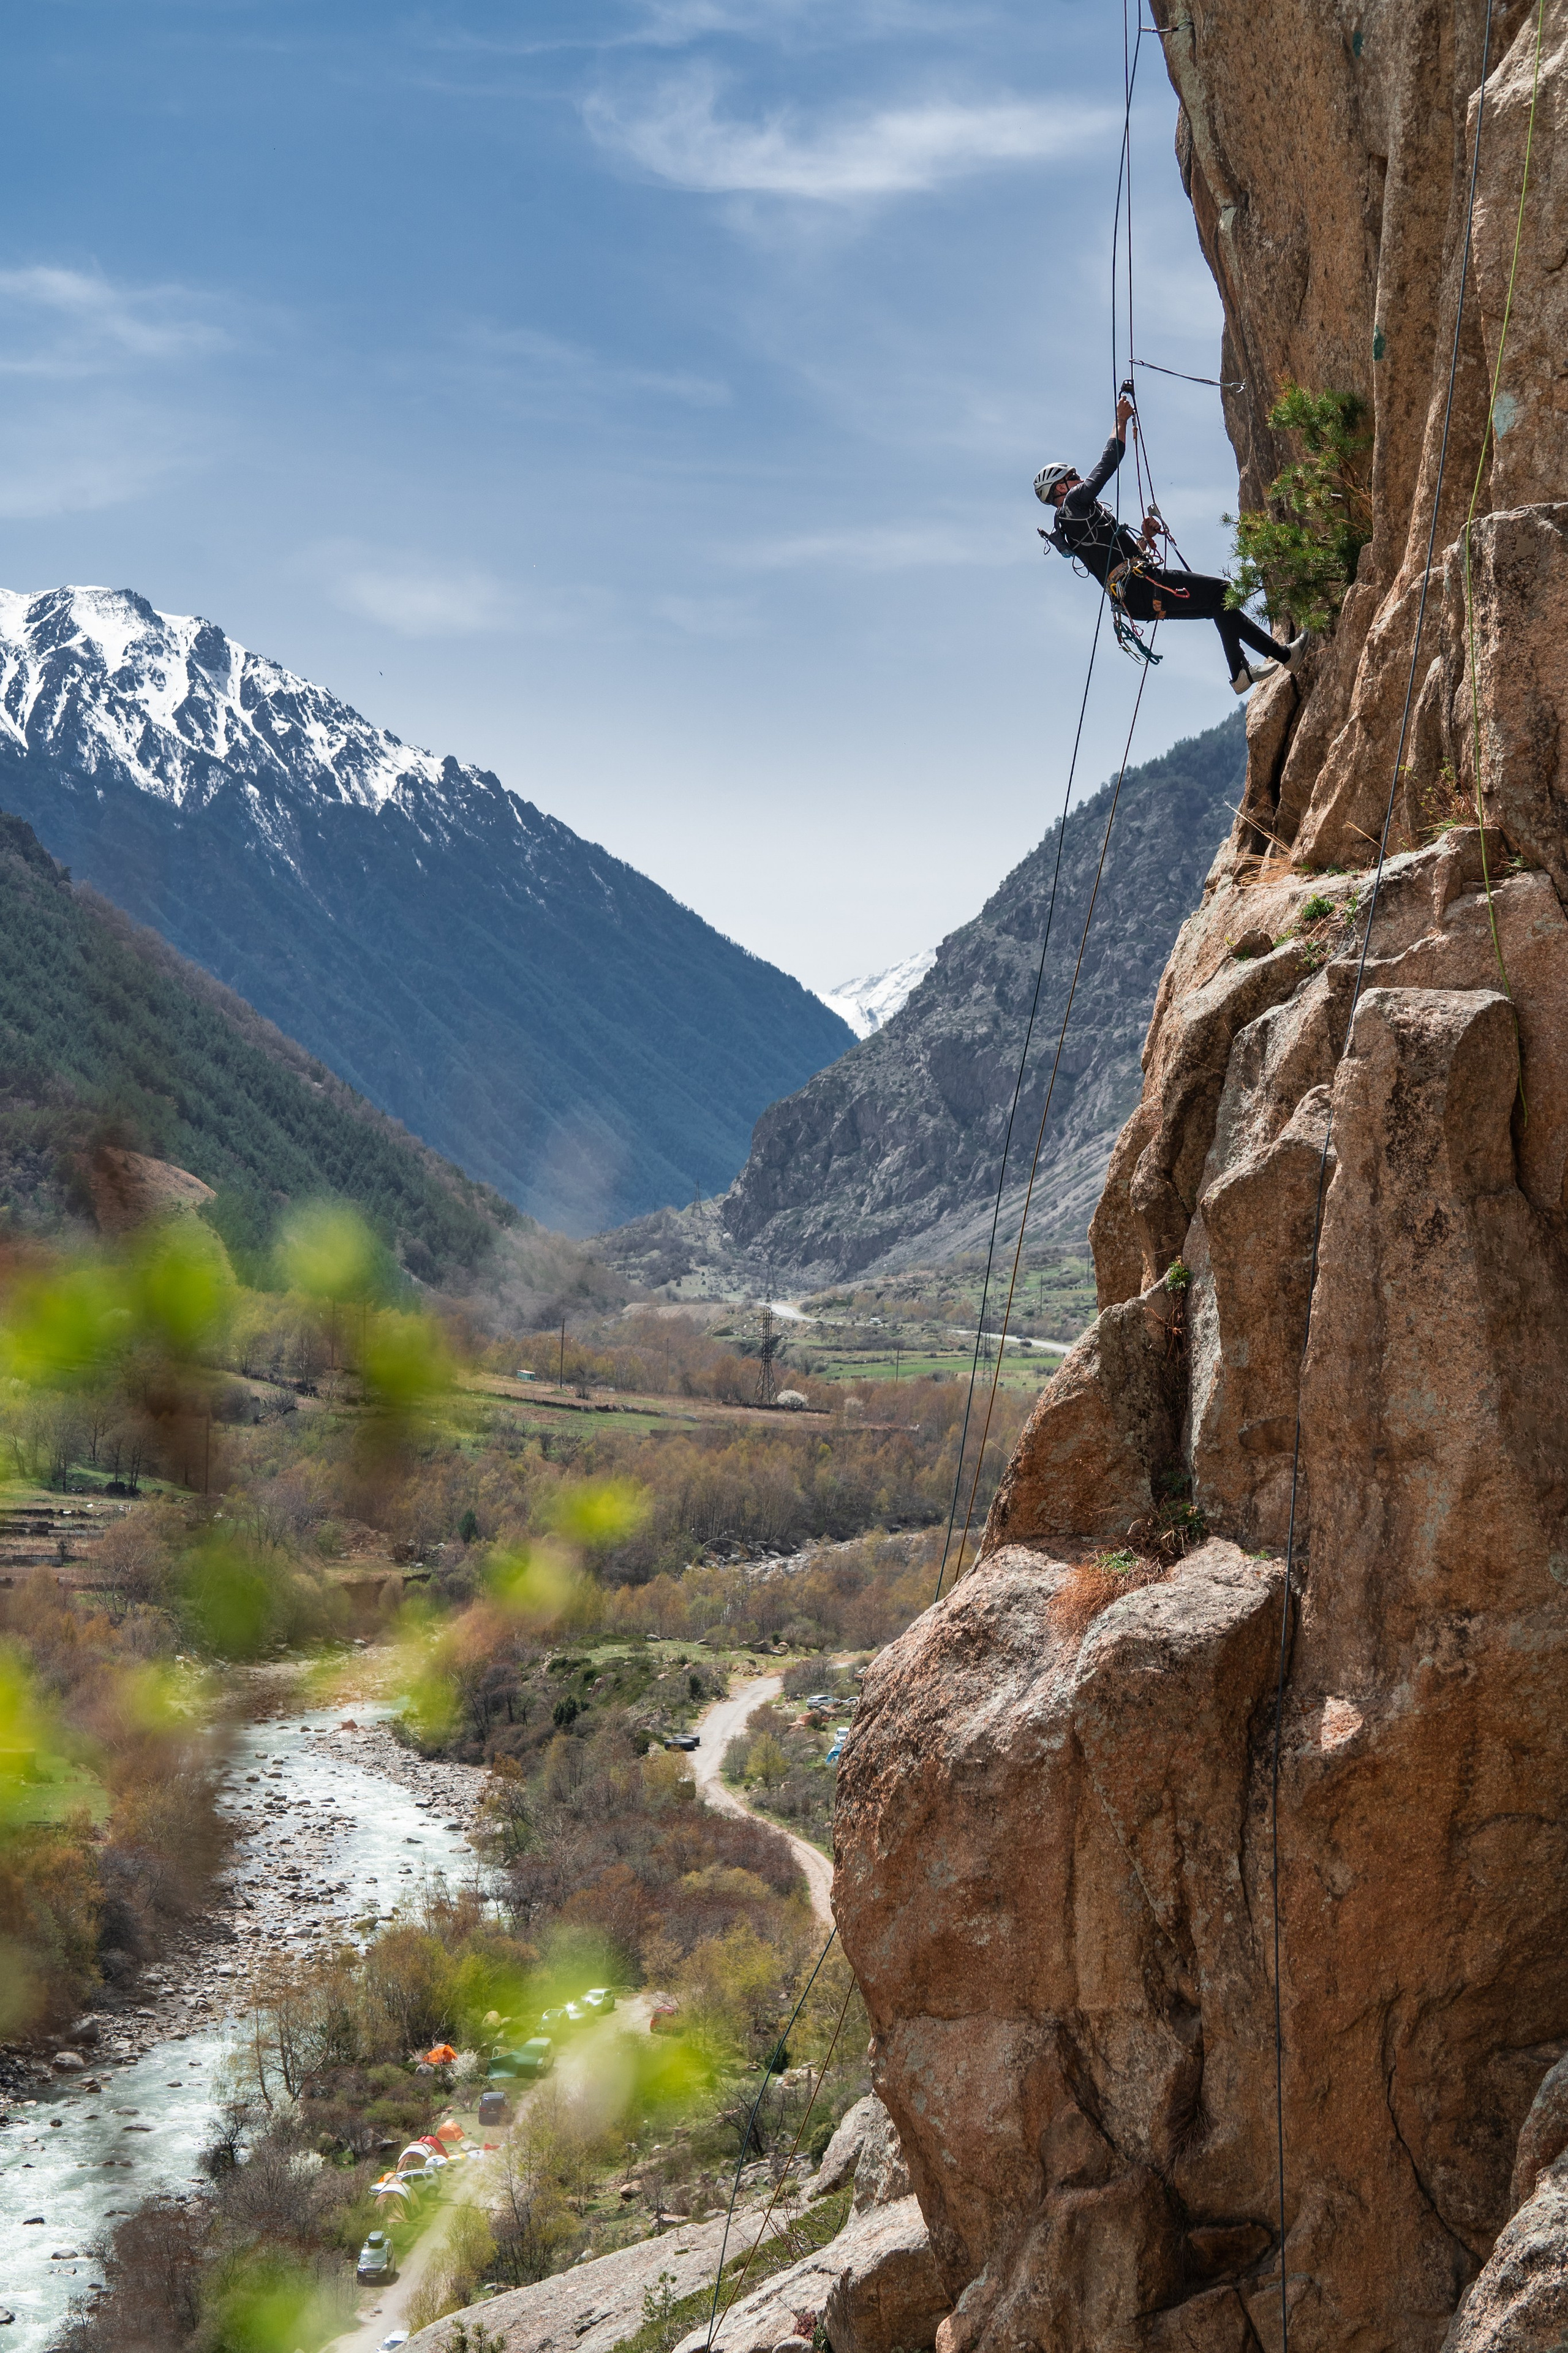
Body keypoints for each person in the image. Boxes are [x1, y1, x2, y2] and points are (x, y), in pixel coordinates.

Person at [1035, 394, 1306, 693]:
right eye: (1072, 477)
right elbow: (1108, 462)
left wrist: (1144, 539)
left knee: (1218, 604)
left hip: (1135, 598)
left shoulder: (1073, 523)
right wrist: (1120, 420)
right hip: (1142, 586)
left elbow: (1111, 559)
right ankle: (1253, 667)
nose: (1078, 478)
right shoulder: (1073, 505)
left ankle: (1267, 663)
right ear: (1060, 487)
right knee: (1221, 592)